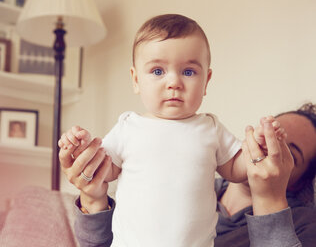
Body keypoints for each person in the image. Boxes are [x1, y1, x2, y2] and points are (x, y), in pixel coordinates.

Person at [59, 14, 284, 246]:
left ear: (206, 81)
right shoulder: (128, 127)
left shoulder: (210, 127)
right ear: (136, 80)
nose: (174, 82)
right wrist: (83, 148)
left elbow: (235, 170)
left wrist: (260, 147)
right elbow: (104, 171)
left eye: (188, 72)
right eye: (158, 71)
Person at [60, 102, 316, 247]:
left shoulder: (304, 224)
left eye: (289, 152)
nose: (270, 147)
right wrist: (93, 198)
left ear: (302, 180)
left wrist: (269, 200)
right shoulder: (190, 185)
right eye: (272, 133)